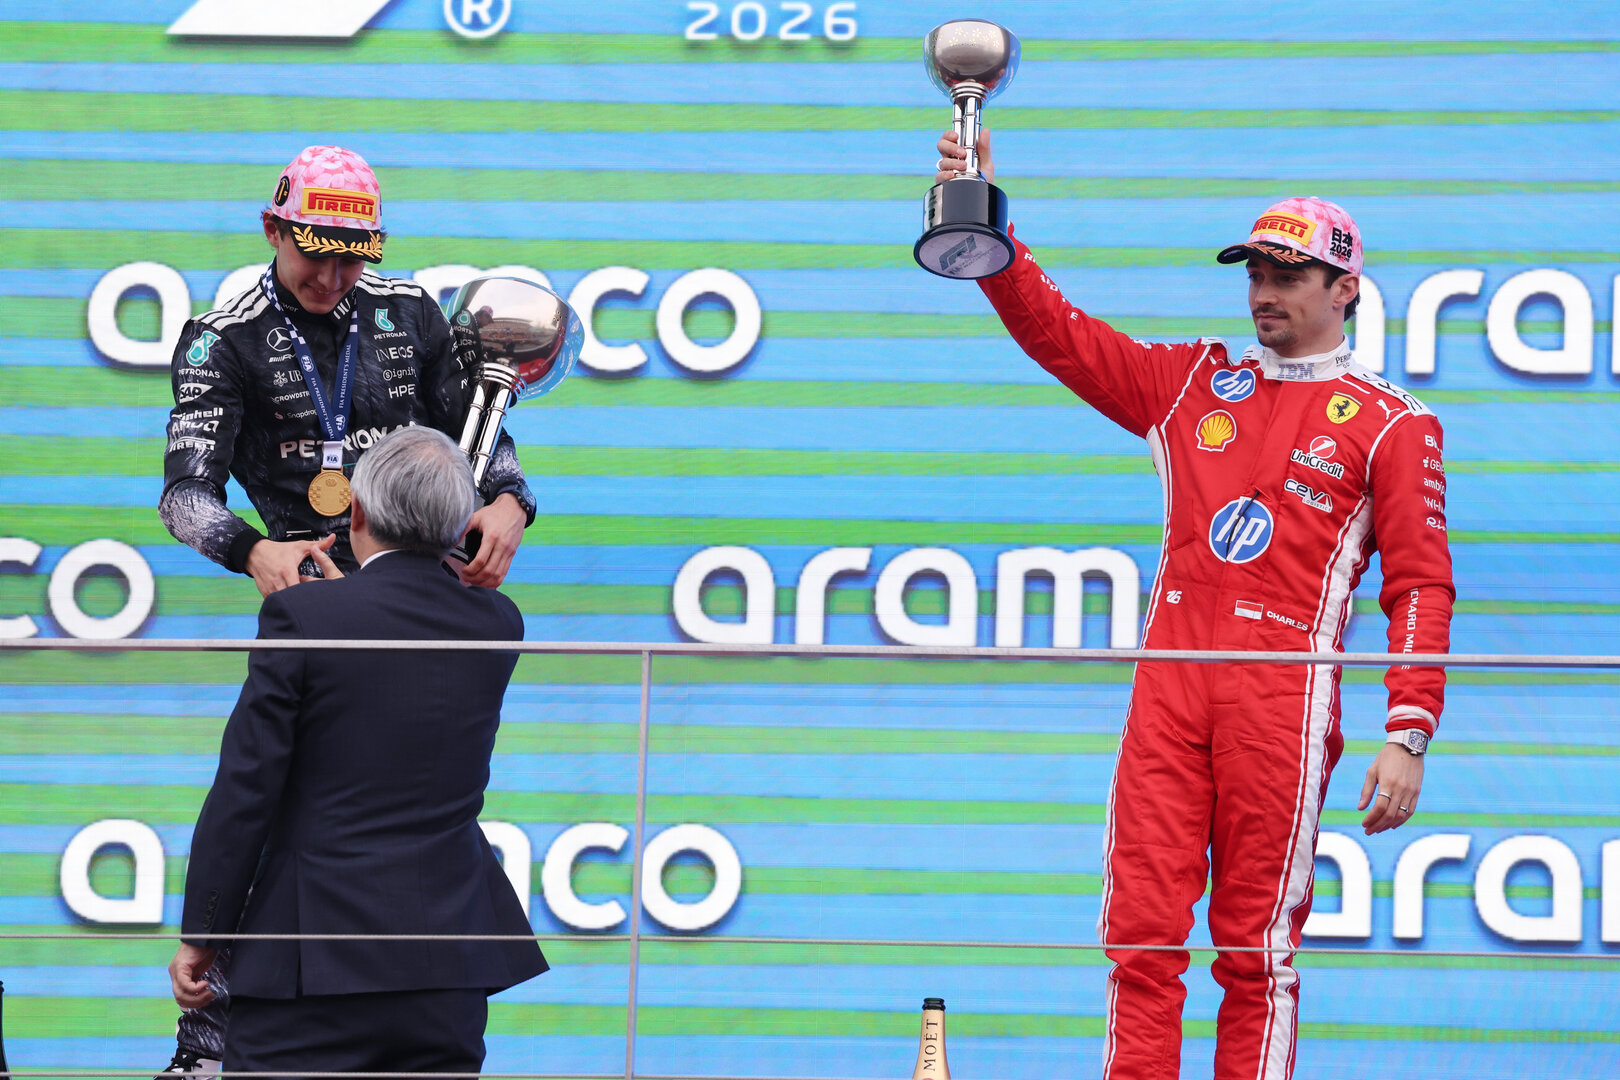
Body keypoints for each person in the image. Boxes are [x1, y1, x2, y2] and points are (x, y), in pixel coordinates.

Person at [935, 131, 1454, 1078]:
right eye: (1255, 271)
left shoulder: (1393, 422)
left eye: (1289, 274)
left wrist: (1409, 729)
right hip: (1169, 690)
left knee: (1257, 954)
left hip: (1282, 702)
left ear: (1346, 289)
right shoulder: (1190, 383)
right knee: (1139, 942)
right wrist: (985, 222)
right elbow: (1061, 333)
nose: (1264, 291)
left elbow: (1420, 584)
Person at [167, 426, 546, 1073]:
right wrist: (343, 604)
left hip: (312, 969)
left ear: (359, 512)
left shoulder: (303, 619)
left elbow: (247, 788)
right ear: (461, 522)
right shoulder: (497, 621)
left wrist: (205, 933)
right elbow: (401, 649)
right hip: (447, 962)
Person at [158, 144, 535, 598]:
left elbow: (482, 428)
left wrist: (512, 499)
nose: (331, 278)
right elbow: (183, 498)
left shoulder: (410, 311)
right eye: (315, 256)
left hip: (434, 586)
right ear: (272, 229)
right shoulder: (223, 342)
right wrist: (255, 552)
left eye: (351, 260)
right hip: (317, 598)